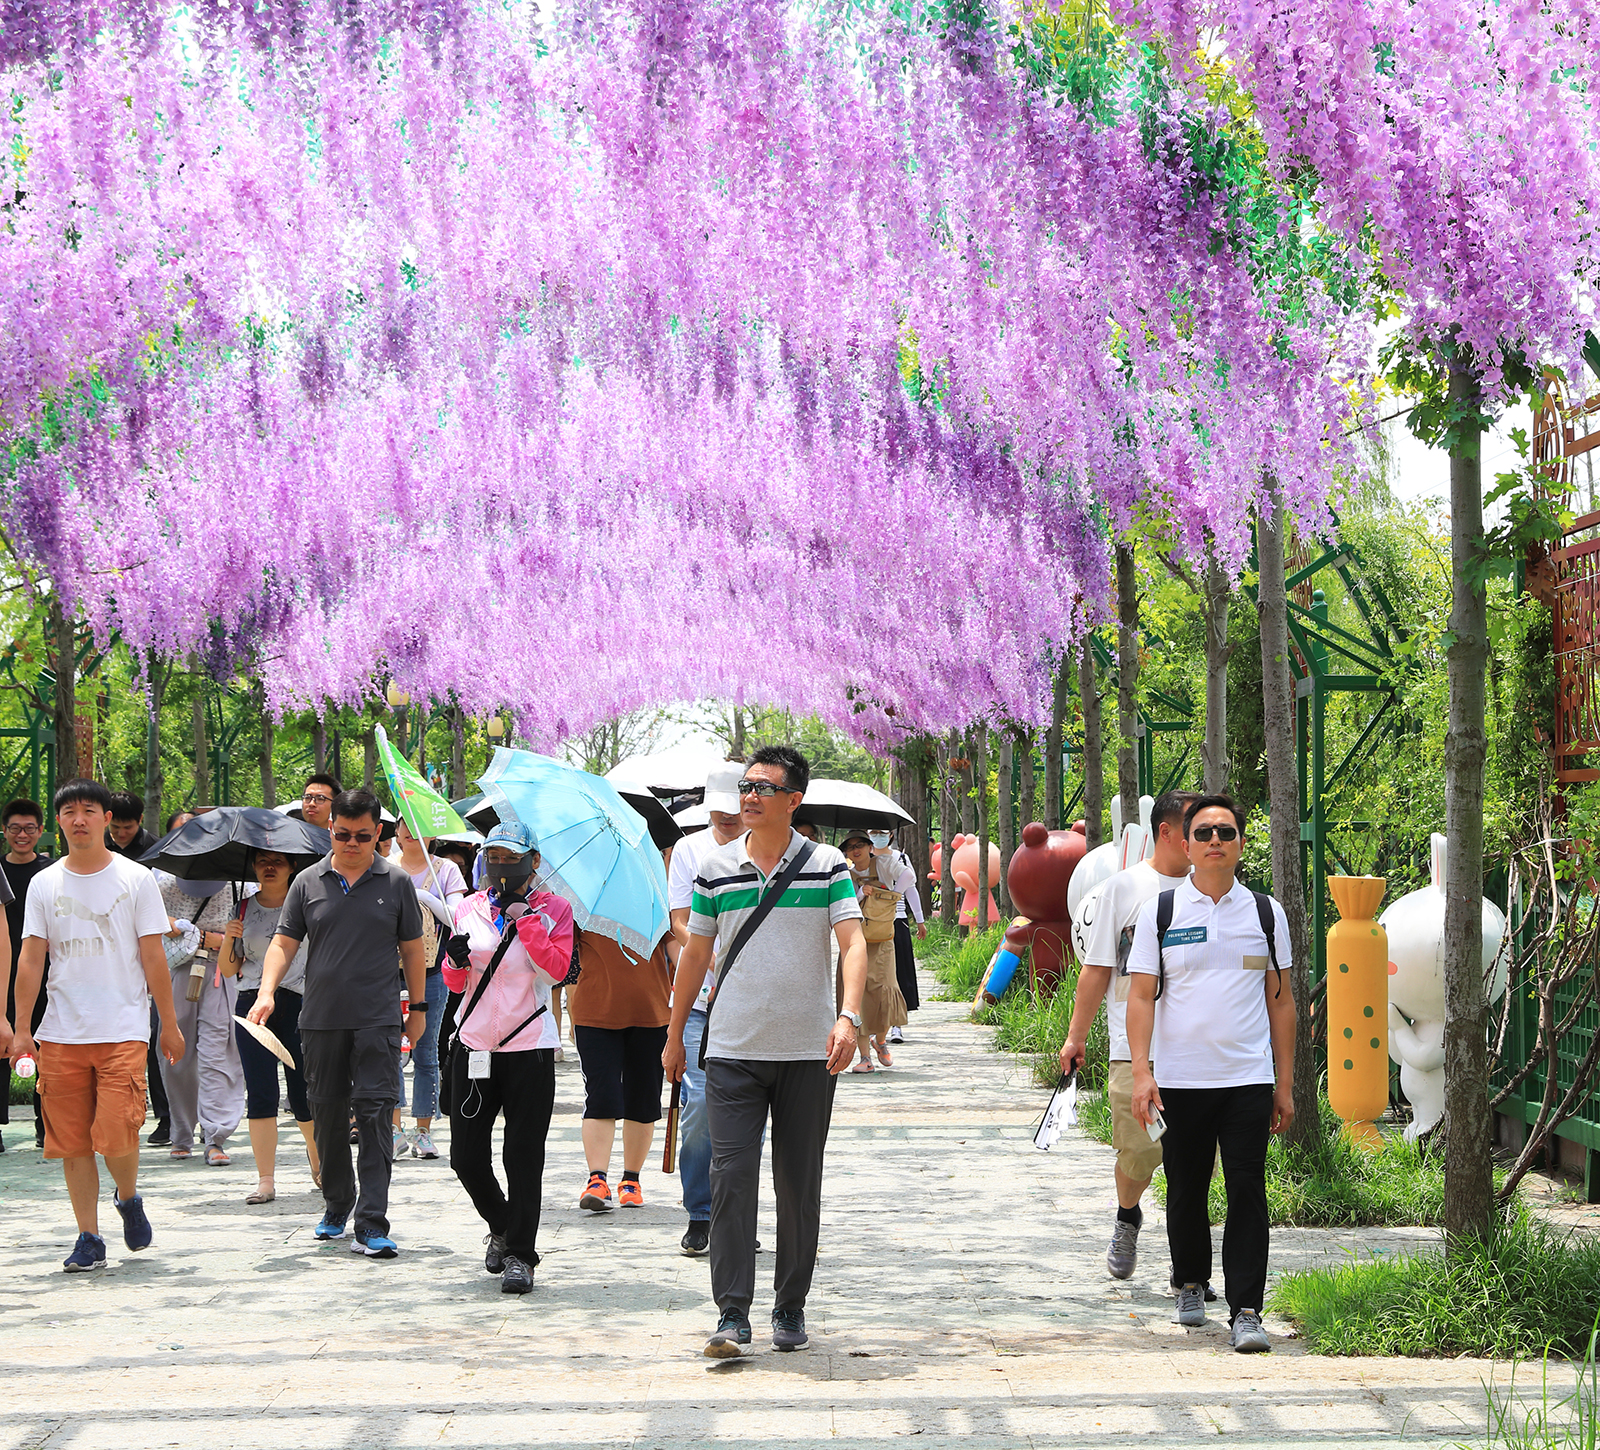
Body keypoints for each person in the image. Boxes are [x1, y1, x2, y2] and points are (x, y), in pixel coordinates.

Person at [664, 744, 868, 1358]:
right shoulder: (715, 868)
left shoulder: (827, 863)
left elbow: (853, 943)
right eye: (745, 787)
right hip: (730, 1050)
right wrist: (675, 1037)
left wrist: (849, 1018)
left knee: (798, 1185)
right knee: (731, 1181)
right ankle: (731, 1316)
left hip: (809, 1053)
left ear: (793, 800)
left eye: (763, 788)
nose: (748, 797)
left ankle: (789, 1305)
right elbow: (695, 956)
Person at [1126, 794, 1298, 1354]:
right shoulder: (1163, 912)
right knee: (1187, 1187)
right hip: (1178, 1081)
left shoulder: (1267, 914)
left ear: (1241, 844)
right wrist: (1143, 1073)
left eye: (1226, 832)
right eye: (1204, 833)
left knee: (1248, 1187)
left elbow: (1282, 1002)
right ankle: (1190, 1284)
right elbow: (1142, 996)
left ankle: (1246, 1309)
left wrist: (1285, 1083)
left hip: (1247, 1078)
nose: (1215, 841)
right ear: (1184, 844)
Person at [9, 779, 184, 1271]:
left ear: (107, 819)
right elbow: (30, 959)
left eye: (89, 810)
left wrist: (167, 1025)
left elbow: (153, 956)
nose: (79, 818)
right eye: (69, 811)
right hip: (61, 1031)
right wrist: (22, 1028)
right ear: (59, 822)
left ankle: (128, 1198)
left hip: (123, 1027)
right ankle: (88, 1236)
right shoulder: (45, 883)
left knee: (116, 1133)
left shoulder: (136, 879)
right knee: (71, 1141)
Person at [249, 787, 427, 1259]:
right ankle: (336, 1205)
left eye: (362, 836)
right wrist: (267, 992)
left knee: (374, 1116)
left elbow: (413, 949)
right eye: (343, 835)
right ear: (331, 830)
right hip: (321, 1019)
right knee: (326, 1116)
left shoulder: (397, 883)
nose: (351, 844)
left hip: (379, 1021)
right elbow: (283, 943)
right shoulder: (307, 882)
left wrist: (420, 1010)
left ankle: (371, 1222)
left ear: (378, 835)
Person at [1058, 790, 1196, 1282]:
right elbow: (1096, 969)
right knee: (1141, 1149)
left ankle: (1190, 1273)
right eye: (1195, 831)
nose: (1207, 841)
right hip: (1133, 1049)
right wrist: (1077, 1036)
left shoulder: (1215, 889)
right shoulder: (1124, 888)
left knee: (1194, 1163)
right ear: (1166, 833)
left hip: (1201, 1051)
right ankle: (1127, 1216)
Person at [441, 822, 571, 1294]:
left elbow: (554, 971)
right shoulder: (467, 908)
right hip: (474, 1044)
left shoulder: (555, 908)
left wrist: (527, 920)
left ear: (533, 861)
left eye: (510, 856)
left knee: (522, 1156)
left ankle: (520, 1254)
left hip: (529, 1045)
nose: (500, 865)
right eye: (492, 855)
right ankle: (502, 1224)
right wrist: (454, 960)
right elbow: (456, 985)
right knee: (466, 1157)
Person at [664, 762, 745, 1255]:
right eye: (720, 812)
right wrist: (704, 951)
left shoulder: (769, 853)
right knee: (697, 1109)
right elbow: (677, 919)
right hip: (696, 1001)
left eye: (735, 812)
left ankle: (736, 1215)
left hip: (749, 1005)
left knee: (746, 1120)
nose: (728, 820)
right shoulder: (690, 851)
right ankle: (700, 1210)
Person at [224, 849, 318, 1203]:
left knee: (304, 1091)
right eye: (262, 860)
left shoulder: (307, 904)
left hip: (298, 1002)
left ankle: (318, 1160)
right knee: (261, 1093)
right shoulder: (242, 908)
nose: (269, 867)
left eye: (278, 860)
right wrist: (230, 935)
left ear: (293, 865)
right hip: (251, 1004)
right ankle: (265, 1179)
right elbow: (229, 968)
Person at [153, 810, 245, 1166]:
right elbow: (145, 925)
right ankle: (181, 1131)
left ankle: (216, 1134)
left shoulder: (239, 883)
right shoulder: (158, 882)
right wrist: (174, 925)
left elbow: (246, 928)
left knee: (218, 1050)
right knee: (176, 1051)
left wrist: (208, 936)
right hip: (175, 972)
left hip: (221, 972)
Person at [569, 924, 672, 1212]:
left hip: (652, 1013)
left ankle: (631, 1180)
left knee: (643, 1098)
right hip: (595, 1013)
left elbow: (678, 949)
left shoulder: (657, 902)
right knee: (601, 1098)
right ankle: (597, 1180)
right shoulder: (584, 902)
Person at [390, 817, 466, 1160]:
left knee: (426, 1051)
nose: (410, 831)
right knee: (388, 1049)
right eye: (404, 824)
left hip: (433, 971)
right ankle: (392, 1129)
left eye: (419, 824)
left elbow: (457, 917)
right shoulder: (384, 867)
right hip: (386, 973)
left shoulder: (445, 870)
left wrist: (421, 895)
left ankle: (423, 1130)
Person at [106, 791, 169, 1140]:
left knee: (156, 1035)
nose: (119, 834)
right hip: (108, 951)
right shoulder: (99, 848)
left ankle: (166, 1116)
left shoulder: (156, 853)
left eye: (126, 828)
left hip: (148, 945)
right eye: (114, 827)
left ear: (140, 822)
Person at [839, 833, 907, 1072]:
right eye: (850, 847)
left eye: (859, 845)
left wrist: (889, 894)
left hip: (882, 939)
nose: (855, 850)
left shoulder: (885, 864)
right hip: (855, 941)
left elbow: (910, 877)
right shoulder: (843, 875)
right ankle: (865, 1058)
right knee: (857, 997)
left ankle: (880, 1041)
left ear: (869, 847)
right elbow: (841, 905)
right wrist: (861, 893)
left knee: (885, 992)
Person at [1, 799, 42, 1150]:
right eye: (15, 828)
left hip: (42, 973)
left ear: (41, 832)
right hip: (3, 972)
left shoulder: (51, 873)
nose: (22, 835)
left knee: (47, 1046)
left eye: (29, 828)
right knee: (1, 1046)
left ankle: (48, 1123)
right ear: (4, 831)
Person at [868, 829, 925, 1044]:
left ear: (890, 834)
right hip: (871, 922)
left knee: (899, 973)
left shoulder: (900, 858)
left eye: (881, 832)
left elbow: (911, 889)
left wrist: (919, 920)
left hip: (897, 919)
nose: (877, 836)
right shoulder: (866, 858)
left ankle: (897, 1025)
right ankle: (874, 1023)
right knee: (874, 975)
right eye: (873, 832)